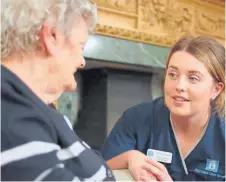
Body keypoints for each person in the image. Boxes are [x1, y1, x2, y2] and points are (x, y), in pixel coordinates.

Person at [1, 0, 115, 181]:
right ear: (52, 36)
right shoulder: (10, 112)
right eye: (80, 47)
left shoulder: (35, 106)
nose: (82, 61)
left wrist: (122, 161)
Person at [100, 36, 225, 181]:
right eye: (173, 74)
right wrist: (129, 157)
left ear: (216, 89)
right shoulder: (137, 118)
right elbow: (98, 169)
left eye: (193, 78)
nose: (179, 86)